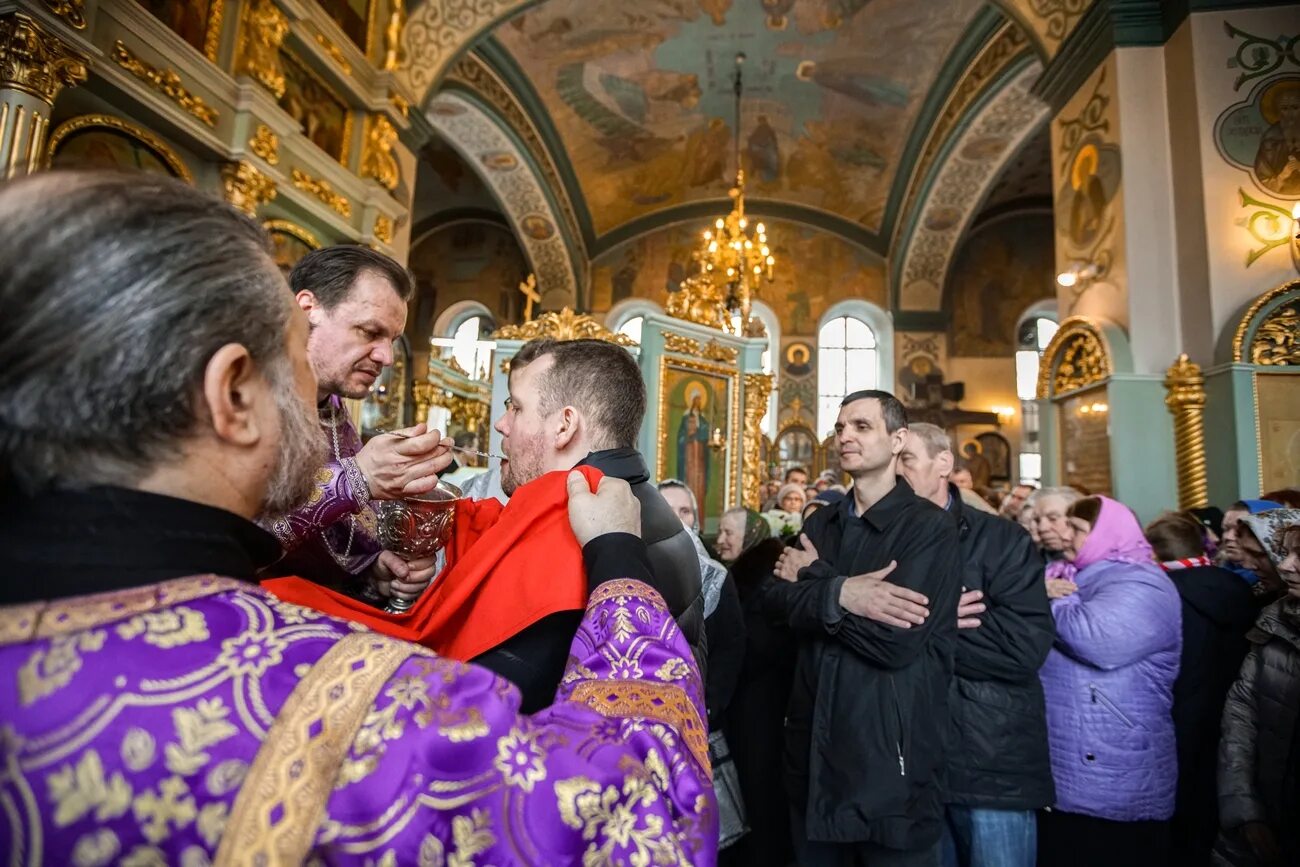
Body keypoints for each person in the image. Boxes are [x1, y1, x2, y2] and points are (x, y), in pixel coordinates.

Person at [0, 171, 715, 864]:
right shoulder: (338, 707)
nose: (321, 415)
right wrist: (617, 559)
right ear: (233, 396)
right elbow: (647, 818)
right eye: (299, 380)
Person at [765, 391, 963, 865]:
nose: (845, 437)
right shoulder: (824, 522)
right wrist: (844, 595)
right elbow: (773, 604)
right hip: (813, 752)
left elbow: (894, 640)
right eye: (840, 428)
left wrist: (818, 581)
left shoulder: (928, 528)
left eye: (861, 426)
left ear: (897, 440)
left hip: (887, 762)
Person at [898, 424, 1054, 867]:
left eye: (906, 460)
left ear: (943, 463)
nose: (894, 472)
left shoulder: (1002, 541)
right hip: (909, 764)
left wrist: (918, 625)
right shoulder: (875, 541)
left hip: (989, 756)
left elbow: (1022, 649)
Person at [262, 245, 452, 608]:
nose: (387, 357)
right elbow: (231, 536)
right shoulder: (247, 396)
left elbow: (326, 539)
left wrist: (372, 571)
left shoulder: (333, 410)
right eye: (369, 332)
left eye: (392, 340)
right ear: (307, 310)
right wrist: (356, 478)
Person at [495, 337, 705, 665]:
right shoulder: (644, 500)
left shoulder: (575, 531)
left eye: (517, 407)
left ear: (564, 426)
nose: (502, 424)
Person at [1037, 496, 1182, 867]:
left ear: (1108, 534)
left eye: (1078, 529)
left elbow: (1097, 642)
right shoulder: (1067, 574)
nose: (1065, 535)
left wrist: (1044, 599)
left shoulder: (1143, 582)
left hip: (1114, 768)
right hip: (1072, 761)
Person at [1144, 514, 1256, 867]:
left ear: (1152, 554)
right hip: (1232, 716)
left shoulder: (1164, 594)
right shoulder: (1238, 585)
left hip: (1179, 718)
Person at [657, 481, 750, 853]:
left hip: (700, 720)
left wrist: (708, 706)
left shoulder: (715, 575)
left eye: (686, 512)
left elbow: (732, 645)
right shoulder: (630, 567)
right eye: (668, 509)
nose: (678, 520)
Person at [1214, 509, 1300, 867]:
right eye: (1286, 553)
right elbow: (1240, 720)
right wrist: (1244, 810)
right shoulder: (1275, 622)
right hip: (1272, 809)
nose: (1285, 566)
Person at [1219, 499, 1283, 586]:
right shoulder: (1218, 572)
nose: (1228, 537)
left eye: (1239, 531)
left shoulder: (1278, 580)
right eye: (1226, 529)